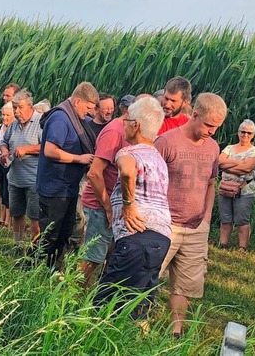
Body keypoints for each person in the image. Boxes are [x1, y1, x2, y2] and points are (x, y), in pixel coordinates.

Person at [154, 92, 227, 337]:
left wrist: (206, 217)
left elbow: (210, 183)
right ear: (194, 115)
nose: (212, 132)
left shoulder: (213, 147)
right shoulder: (166, 142)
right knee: (149, 274)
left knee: (185, 283)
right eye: (208, 125)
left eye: (216, 127)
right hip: (165, 224)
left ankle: (176, 329)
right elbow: (152, 181)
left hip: (196, 226)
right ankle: (136, 320)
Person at [93, 97, 171, 318]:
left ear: (135, 125)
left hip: (135, 236)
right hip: (161, 238)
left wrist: (128, 206)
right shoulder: (159, 159)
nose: (123, 123)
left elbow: (127, 172)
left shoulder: (128, 153)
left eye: (126, 119)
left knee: (105, 303)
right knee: (138, 303)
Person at [37, 82, 98, 268]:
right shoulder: (61, 119)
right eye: (87, 108)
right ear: (78, 101)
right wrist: (79, 159)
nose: (89, 113)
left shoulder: (77, 119)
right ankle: (40, 270)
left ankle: (55, 267)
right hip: (54, 187)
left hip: (68, 187)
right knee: (51, 233)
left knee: (64, 232)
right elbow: (50, 150)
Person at [80, 98, 129, 286]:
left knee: (109, 251)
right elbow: (94, 173)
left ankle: (101, 291)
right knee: (93, 255)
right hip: (100, 204)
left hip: (113, 204)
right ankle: (73, 297)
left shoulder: (124, 131)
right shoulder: (115, 132)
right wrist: (108, 207)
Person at [0, 91, 42, 245]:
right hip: (15, 178)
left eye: (20, 108)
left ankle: (34, 248)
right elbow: (4, 141)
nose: (16, 112)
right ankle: (18, 245)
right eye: (15, 108)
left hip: (33, 179)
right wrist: (4, 151)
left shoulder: (40, 122)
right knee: (16, 213)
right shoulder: (14, 125)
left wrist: (27, 149)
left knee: (35, 215)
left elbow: (47, 147)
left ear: (30, 106)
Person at [217, 119, 255, 250]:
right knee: (225, 218)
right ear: (238, 132)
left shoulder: (254, 152)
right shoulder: (229, 148)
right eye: (243, 132)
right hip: (225, 187)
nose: (245, 135)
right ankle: (223, 244)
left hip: (244, 190)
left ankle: (242, 247)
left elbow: (247, 169)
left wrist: (228, 165)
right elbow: (220, 162)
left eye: (249, 133)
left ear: (253, 134)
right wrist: (239, 163)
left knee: (242, 220)